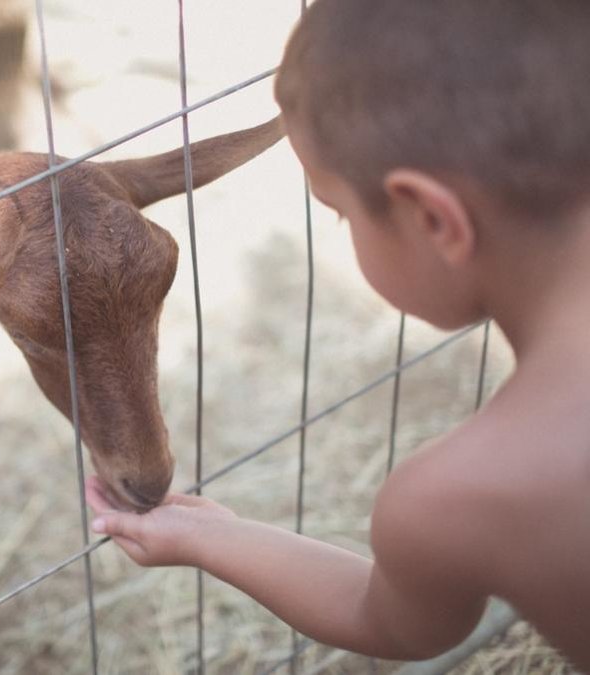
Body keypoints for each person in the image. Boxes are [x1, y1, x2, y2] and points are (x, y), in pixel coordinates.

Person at [86, 1, 590, 669]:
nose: (342, 230)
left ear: (432, 220)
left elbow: (391, 622)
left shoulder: (463, 492)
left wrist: (212, 539)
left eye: (339, 214)